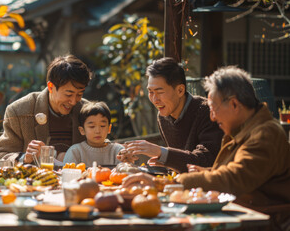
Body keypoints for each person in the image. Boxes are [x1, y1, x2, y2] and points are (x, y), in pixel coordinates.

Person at [122, 67, 290, 228]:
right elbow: (237, 172)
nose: (212, 117)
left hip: (258, 221)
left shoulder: (265, 134)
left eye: (213, 108)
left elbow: (233, 179)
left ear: (234, 105)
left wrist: (170, 183)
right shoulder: (244, 130)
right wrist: (206, 172)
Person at [118, 57, 223, 173]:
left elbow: (206, 161)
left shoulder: (208, 112)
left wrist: (162, 152)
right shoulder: (163, 117)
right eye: (150, 92)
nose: (154, 99)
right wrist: (165, 161)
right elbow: (181, 163)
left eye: (160, 92)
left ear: (180, 90)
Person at [0, 55, 93, 164]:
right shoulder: (19, 111)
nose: (74, 101)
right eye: (68, 94)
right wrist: (23, 158)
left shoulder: (87, 111)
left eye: (79, 94)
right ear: (50, 87)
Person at [63, 101, 123, 166]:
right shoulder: (75, 152)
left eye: (102, 126)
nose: (97, 131)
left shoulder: (118, 151)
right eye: (92, 126)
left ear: (109, 128)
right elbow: (67, 174)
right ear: (82, 130)